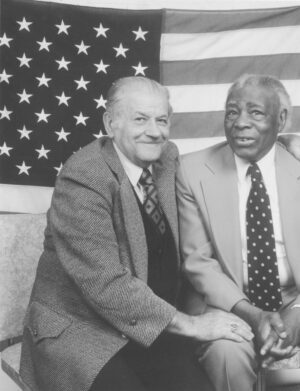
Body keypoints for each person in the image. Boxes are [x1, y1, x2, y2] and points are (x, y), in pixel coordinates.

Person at [20, 76, 253, 391]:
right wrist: (194, 325)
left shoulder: (165, 156)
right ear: (111, 122)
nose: (154, 131)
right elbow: (108, 285)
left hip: (151, 329)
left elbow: (208, 165)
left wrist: (284, 144)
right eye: (140, 119)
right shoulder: (84, 177)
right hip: (85, 331)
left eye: (162, 120)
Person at [176, 74, 300, 391]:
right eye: (232, 112)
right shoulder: (192, 171)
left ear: (281, 118)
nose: (240, 122)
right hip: (229, 303)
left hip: (294, 299)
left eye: (255, 112)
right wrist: (253, 315)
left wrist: (297, 312)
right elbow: (198, 261)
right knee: (226, 351)